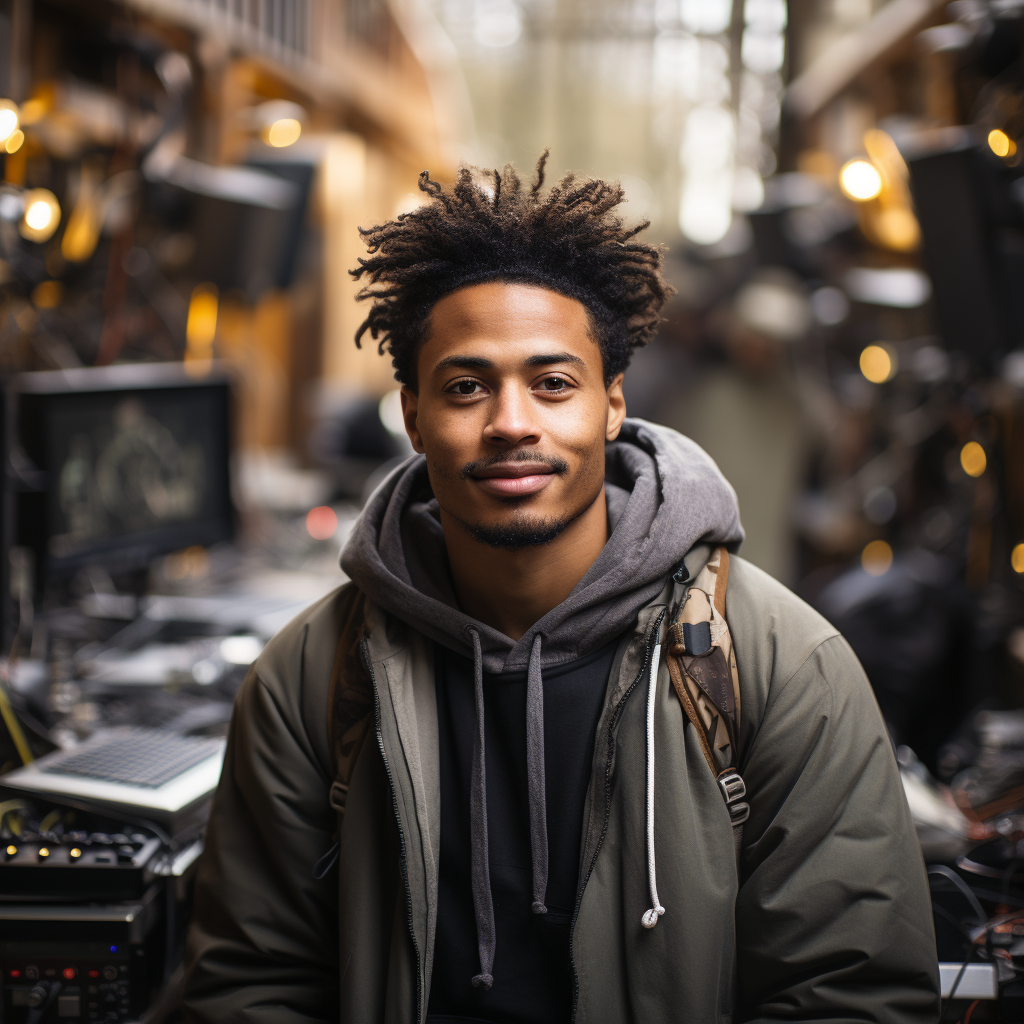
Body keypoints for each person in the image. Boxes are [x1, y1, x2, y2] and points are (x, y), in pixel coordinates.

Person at [183, 155, 940, 1023]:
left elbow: (851, 995)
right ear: (413, 415)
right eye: (467, 387)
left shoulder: (781, 667)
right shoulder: (309, 678)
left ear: (612, 405)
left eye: (553, 384)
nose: (512, 423)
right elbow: (249, 985)